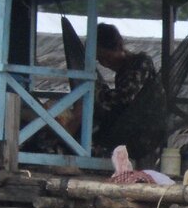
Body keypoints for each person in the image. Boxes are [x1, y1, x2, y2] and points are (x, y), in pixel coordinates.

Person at [62, 23, 166, 162]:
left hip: (146, 131)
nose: (105, 63)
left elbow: (126, 96)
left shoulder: (141, 62)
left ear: (118, 47)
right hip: (129, 128)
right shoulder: (122, 73)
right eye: (101, 60)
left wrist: (98, 93)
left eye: (107, 57)